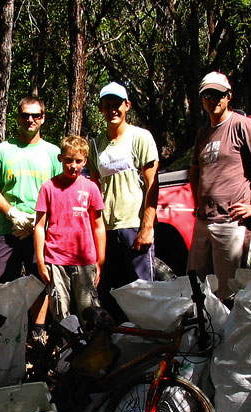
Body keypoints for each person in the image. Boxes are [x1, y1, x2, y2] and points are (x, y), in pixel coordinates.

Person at [187, 71, 251, 299]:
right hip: (204, 223)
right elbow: (195, 169)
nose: (213, 100)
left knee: (231, 292)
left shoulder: (242, 126)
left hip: (231, 224)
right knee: (198, 289)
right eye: (208, 95)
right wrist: (198, 201)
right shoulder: (203, 133)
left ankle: (231, 334)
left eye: (218, 95)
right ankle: (206, 334)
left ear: (229, 96)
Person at [0, 96, 61, 342]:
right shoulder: (2, 151)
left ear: (43, 118)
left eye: (36, 115)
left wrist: (41, 224)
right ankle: (2, 332)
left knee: (41, 278)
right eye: (25, 115)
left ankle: (38, 331)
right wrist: (11, 213)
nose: (30, 119)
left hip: (41, 230)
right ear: (17, 117)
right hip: (10, 229)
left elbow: (61, 192)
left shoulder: (54, 153)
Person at [88, 82, 160, 312]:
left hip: (133, 225)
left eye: (117, 104)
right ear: (100, 108)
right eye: (107, 105)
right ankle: (118, 342)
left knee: (142, 290)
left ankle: (147, 340)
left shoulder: (140, 137)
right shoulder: (96, 144)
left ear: (127, 105)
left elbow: (152, 184)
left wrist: (147, 226)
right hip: (105, 228)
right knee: (109, 291)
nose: (112, 110)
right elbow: (93, 185)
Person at [34, 136, 106, 324]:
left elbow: (98, 225)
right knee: (60, 312)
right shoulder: (48, 187)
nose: (73, 165)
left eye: (78, 161)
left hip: (84, 260)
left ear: (85, 161)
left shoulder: (90, 187)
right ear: (60, 158)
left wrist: (100, 260)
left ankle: (91, 350)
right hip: (56, 259)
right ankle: (65, 350)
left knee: (89, 311)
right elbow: (40, 226)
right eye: (68, 160)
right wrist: (41, 261)